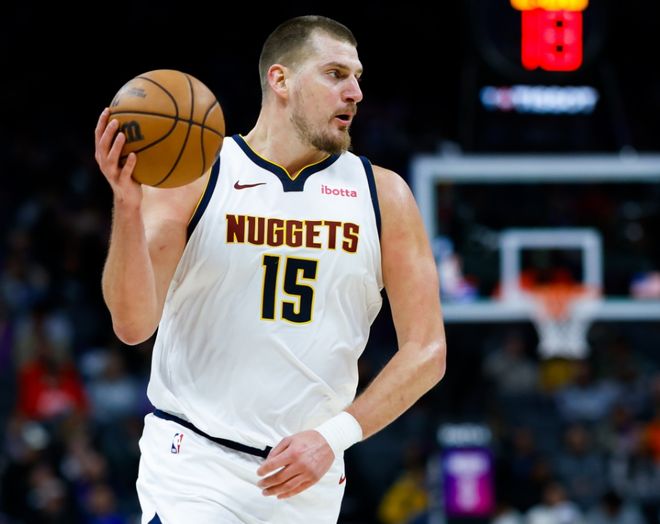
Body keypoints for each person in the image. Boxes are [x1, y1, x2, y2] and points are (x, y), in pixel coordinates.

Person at [94, 14, 446, 524]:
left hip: (310, 476)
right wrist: (127, 208)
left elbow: (427, 350)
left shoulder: (384, 195)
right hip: (196, 467)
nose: (355, 93)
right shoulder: (198, 175)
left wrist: (333, 437)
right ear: (280, 80)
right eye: (335, 74)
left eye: (357, 77)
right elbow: (132, 325)